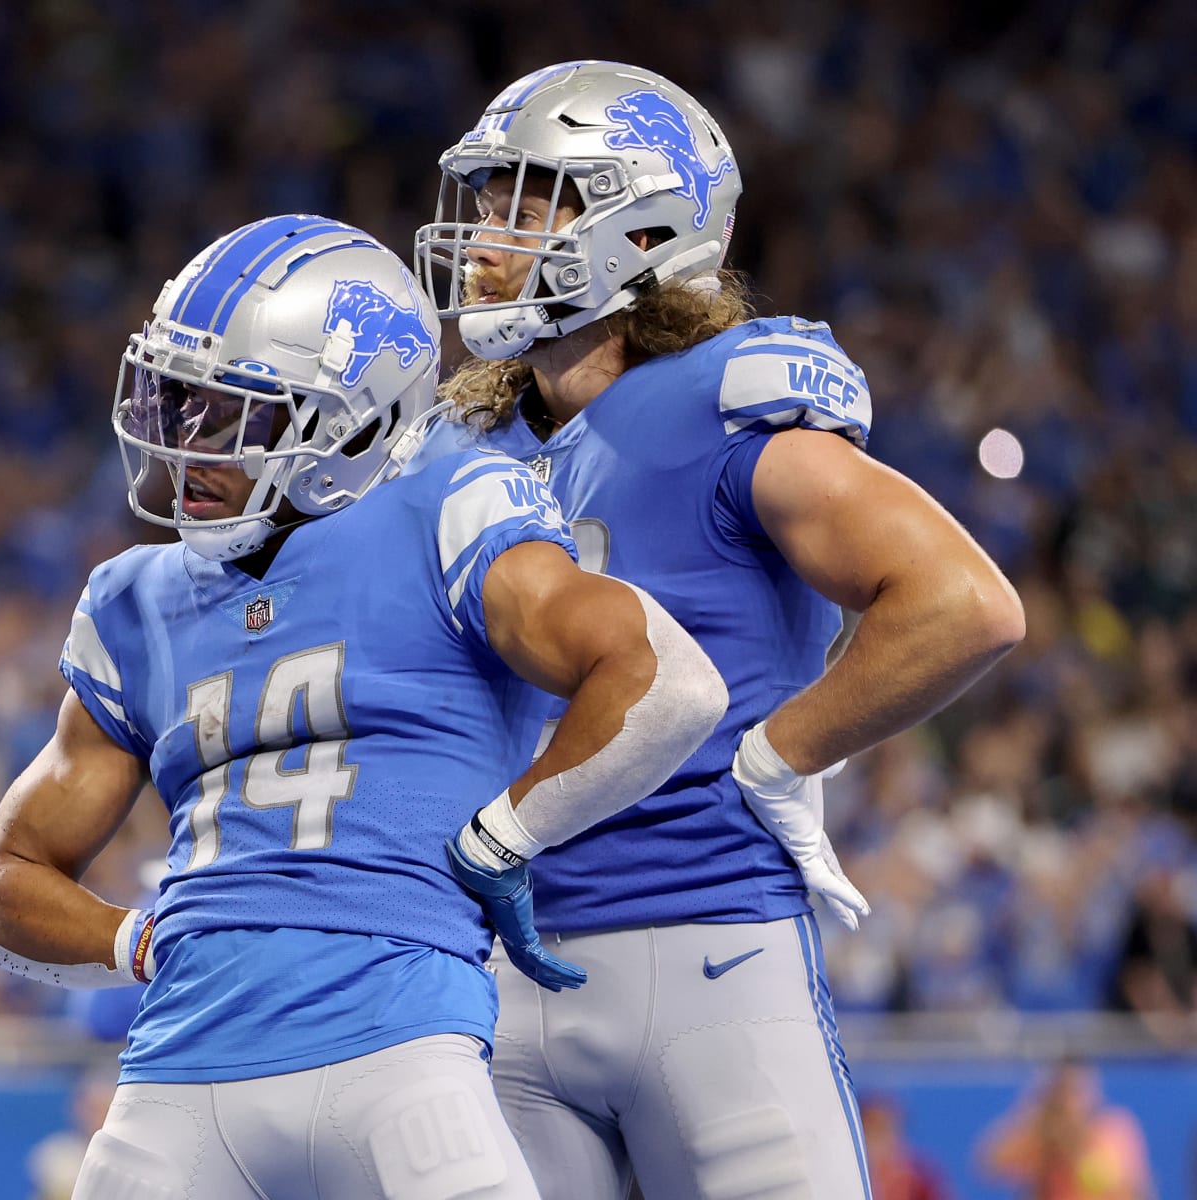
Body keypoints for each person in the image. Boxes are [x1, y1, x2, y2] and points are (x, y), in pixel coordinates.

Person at [0, 215, 729, 1199]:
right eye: (178, 400)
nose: (186, 442)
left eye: (229, 412)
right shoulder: (134, 598)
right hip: (177, 1072)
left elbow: (668, 681)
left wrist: (502, 837)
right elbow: (0, 893)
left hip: (403, 1055)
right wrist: (141, 940)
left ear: (353, 422)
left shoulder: (444, 506)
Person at [413, 61, 1027, 1199]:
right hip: (496, 976)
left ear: (641, 227)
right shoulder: (467, 450)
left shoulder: (718, 401)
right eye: (486, 199)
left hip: (707, 944)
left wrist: (784, 751)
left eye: (526, 199)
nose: (486, 232)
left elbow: (964, 604)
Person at [979, 1059, 1151, 1199]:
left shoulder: (1112, 1127)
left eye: (1073, 1092)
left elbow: (1109, 1184)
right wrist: (1031, 1119)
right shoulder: (1039, 1130)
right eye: (1060, 1092)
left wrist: (1074, 1145)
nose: (1067, 1102)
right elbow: (991, 1164)